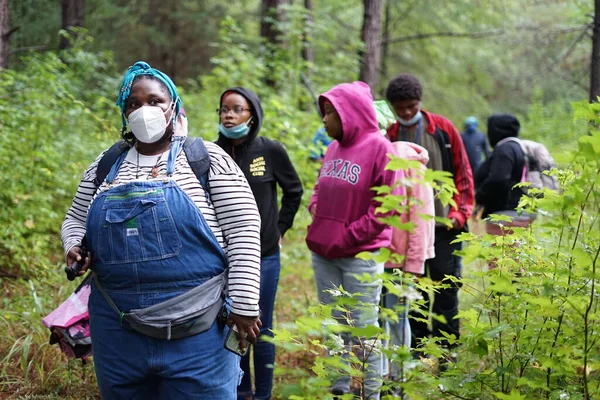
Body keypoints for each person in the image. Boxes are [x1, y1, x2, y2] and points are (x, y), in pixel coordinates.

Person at [61, 61, 262, 399]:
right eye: (133, 104)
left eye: (154, 101)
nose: (144, 111)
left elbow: (243, 231)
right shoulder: (106, 166)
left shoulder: (206, 159)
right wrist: (73, 246)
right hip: (118, 332)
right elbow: (75, 219)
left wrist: (244, 304)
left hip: (199, 333)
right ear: (124, 114)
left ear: (174, 108)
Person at [306, 81, 401, 399]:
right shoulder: (332, 147)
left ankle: (371, 393)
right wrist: (316, 207)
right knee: (333, 325)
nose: (324, 120)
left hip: (361, 254)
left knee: (363, 328)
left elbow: (385, 209)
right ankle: (339, 388)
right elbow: (321, 186)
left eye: (329, 112)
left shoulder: (380, 147)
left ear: (349, 114)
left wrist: (347, 236)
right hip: (324, 252)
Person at [214, 87, 303, 400]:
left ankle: (263, 394)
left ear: (252, 115)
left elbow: (294, 191)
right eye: (224, 109)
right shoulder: (213, 154)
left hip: (264, 256)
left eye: (237, 109)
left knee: (260, 325)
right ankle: (241, 390)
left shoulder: (270, 150)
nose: (229, 115)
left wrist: (280, 228)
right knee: (231, 326)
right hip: (223, 258)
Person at [385, 73, 474, 358]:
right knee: (413, 291)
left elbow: (463, 172)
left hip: (445, 226)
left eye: (411, 106)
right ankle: (417, 352)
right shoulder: (388, 133)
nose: (407, 112)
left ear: (420, 102)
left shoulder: (443, 129)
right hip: (406, 229)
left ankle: (448, 352)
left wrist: (459, 214)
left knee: (446, 289)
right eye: (401, 108)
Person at [383, 141, 435, 380]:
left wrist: (413, 264)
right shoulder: (378, 158)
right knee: (378, 316)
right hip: (377, 256)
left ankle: (398, 378)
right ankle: (381, 374)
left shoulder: (413, 168)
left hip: (401, 261)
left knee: (398, 316)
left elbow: (420, 220)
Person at [474, 114, 535, 254]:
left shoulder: (505, 149)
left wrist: (480, 195)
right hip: (516, 211)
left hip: (505, 214)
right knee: (513, 260)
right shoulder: (516, 147)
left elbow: (499, 179)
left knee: (501, 264)